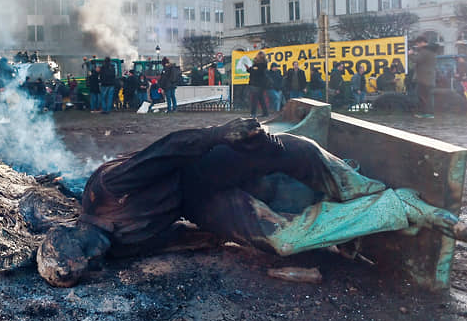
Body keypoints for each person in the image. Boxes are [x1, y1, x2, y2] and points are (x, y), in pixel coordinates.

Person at [37, 118, 464, 287]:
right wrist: (228, 235)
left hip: (198, 166)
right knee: (286, 241)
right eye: (91, 268)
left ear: (76, 234)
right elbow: (177, 236)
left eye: (89, 256)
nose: (99, 262)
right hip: (200, 202)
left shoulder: (105, 189)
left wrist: (221, 134)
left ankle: (355, 185)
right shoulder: (112, 250)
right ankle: (398, 208)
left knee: (284, 150)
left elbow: (168, 148)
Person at [409, 36, 437, 118]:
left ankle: (427, 113)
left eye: (417, 44)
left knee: (423, 96)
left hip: (424, 78)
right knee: (427, 96)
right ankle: (427, 113)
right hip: (428, 77)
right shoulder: (430, 51)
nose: (416, 45)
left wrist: (410, 54)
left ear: (422, 43)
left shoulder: (425, 51)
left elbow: (417, 60)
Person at [246, 51, 269, 118]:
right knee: (261, 99)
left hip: (259, 84)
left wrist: (252, 70)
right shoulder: (255, 64)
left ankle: (253, 113)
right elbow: (251, 71)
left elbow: (258, 72)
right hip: (254, 83)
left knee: (255, 99)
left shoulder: (263, 64)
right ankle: (265, 113)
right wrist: (248, 69)